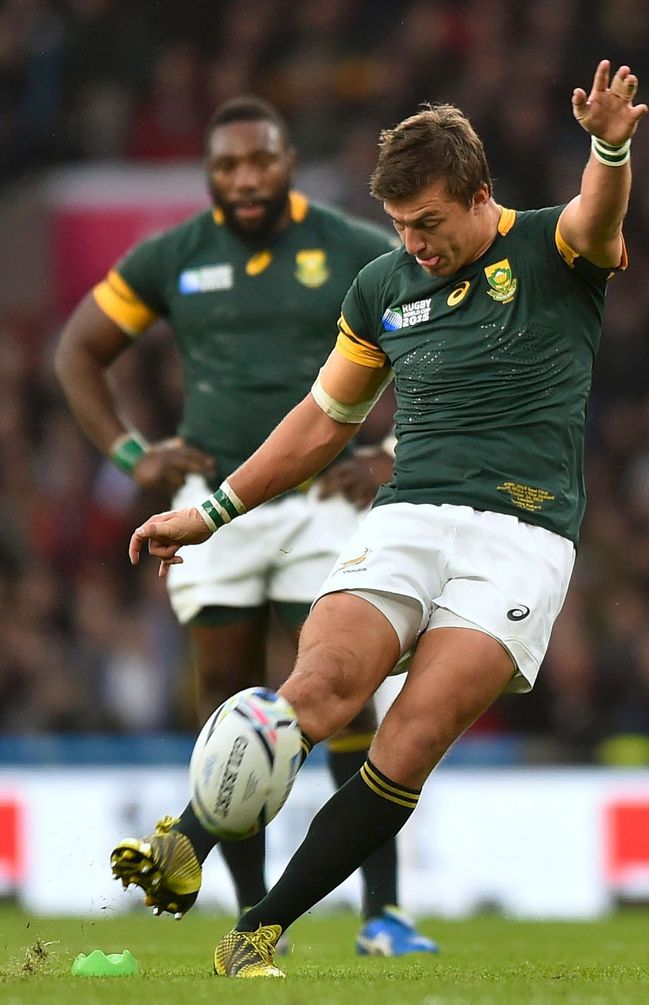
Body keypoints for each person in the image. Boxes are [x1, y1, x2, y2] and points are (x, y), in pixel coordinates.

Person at [121, 60, 647, 977]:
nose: (414, 243)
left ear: (480, 196)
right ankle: (188, 843)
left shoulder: (551, 251)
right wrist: (213, 512)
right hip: (406, 518)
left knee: (411, 737)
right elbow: (326, 419)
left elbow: (597, 213)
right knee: (318, 689)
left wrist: (609, 144)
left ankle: (257, 933)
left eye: (429, 224)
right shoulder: (381, 286)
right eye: (400, 225)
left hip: (519, 540)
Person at [54, 96, 438, 956]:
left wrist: (388, 450)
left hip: (315, 503)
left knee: (335, 686)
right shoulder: (175, 255)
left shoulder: (347, 245)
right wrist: (128, 454)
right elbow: (77, 349)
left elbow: (433, 334)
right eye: (228, 166)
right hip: (212, 504)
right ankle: (258, 915)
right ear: (209, 175)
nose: (246, 178)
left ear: (288, 159)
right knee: (230, 703)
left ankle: (383, 911)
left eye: (260, 160)